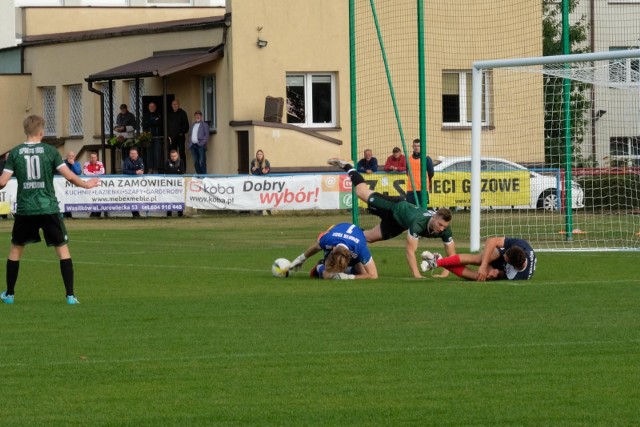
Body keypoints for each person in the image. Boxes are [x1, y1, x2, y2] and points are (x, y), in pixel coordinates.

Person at [0, 115, 101, 305]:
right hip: (48, 207)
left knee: (15, 250)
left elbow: (3, 182)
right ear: (42, 132)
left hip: (26, 209)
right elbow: (70, 176)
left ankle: (10, 294)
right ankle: (70, 296)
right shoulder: (50, 151)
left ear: (25, 131)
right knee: (62, 250)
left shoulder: (15, 153)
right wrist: (87, 185)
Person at [327, 158, 456, 279]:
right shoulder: (418, 223)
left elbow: (452, 256)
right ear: (434, 217)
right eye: (440, 224)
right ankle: (347, 166)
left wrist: (444, 274)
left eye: (444, 226)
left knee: (367, 238)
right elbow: (410, 251)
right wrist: (417, 276)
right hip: (392, 207)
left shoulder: (445, 230)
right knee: (360, 192)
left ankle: (342, 244)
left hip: (399, 224)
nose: (441, 228)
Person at [420, 237, 536, 281]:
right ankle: (436, 263)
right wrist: (484, 265)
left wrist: (496, 273)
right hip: (496, 254)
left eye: (507, 257)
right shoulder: (522, 245)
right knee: (479, 260)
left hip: (503, 267)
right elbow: (492, 241)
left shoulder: (518, 276)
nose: (505, 255)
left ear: (512, 264)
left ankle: (438, 260)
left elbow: (503, 275)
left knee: (479, 277)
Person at [288, 223, 378, 280]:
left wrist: (348, 277)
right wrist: (300, 259)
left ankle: (343, 271)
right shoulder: (328, 240)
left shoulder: (360, 248)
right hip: (334, 234)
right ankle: (319, 267)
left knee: (362, 273)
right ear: (333, 249)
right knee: (327, 275)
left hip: (353, 243)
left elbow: (374, 275)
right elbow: (315, 247)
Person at [406, 138, 434, 207]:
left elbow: (431, 173)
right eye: (415, 146)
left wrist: (426, 181)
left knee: (422, 208)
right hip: (411, 188)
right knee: (411, 208)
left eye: (418, 146)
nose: (416, 148)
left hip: (422, 188)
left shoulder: (426, 158)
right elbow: (407, 172)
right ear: (412, 147)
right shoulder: (408, 159)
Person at [122, 147, 144, 218]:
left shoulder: (140, 160)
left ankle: (136, 213)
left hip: (138, 183)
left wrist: (133, 172)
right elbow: (124, 171)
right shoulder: (126, 160)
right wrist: (135, 172)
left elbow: (142, 170)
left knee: (138, 197)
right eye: (132, 153)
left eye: (134, 153)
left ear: (137, 154)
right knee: (131, 197)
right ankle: (135, 213)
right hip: (128, 184)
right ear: (129, 154)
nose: (133, 155)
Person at [83, 151, 106, 218]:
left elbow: (102, 171)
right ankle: (92, 213)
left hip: (98, 184)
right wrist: (95, 174)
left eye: (94, 157)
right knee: (91, 198)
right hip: (89, 184)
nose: (93, 159)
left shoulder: (100, 163)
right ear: (90, 158)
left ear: (97, 158)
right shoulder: (86, 163)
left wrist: (92, 173)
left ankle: (97, 214)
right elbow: (85, 172)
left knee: (98, 198)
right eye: (92, 157)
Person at [167, 99, 189, 167]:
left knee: (182, 153)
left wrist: (181, 133)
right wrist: (168, 135)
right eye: (173, 104)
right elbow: (167, 125)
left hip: (180, 137)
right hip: (172, 138)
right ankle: (173, 169)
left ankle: (183, 169)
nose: (175, 105)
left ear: (178, 105)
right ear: (171, 105)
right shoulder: (169, 114)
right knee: (173, 154)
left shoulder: (183, 113)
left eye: (176, 104)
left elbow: (186, 126)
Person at [142, 102, 163, 173]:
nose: (152, 107)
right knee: (149, 154)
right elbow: (144, 124)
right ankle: (150, 168)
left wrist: (150, 122)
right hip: (148, 137)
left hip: (157, 137)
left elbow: (159, 123)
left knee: (157, 153)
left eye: (153, 106)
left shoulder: (158, 115)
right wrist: (154, 121)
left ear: (155, 107)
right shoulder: (145, 115)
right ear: (148, 107)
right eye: (150, 106)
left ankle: (156, 169)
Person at [188, 110, 210, 175]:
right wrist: (190, 143)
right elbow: (190, 134)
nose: (197, 116)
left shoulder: (204, 124)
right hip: (193, 145)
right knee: (195, 162)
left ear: (201, 116)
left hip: (200, 145)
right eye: (196, 115)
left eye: (199, 115)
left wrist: (201, 143)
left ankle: (203, 175)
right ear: (195, 116)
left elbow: (206, 135)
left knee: (202, 161)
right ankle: (199, 175)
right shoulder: (192, 125)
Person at [165, 149, 185, 217]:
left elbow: (182, 171)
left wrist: (172, 170)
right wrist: (177, 170)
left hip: (178, 184)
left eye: (175, 156)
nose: (173, 157)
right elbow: (167, 172)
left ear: (177, 156)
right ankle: (169, 215)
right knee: (169, 199)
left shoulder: (181, 161)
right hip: (169, 184)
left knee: (179, 198)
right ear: (170, 156)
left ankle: (180, 214)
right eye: (172, 156)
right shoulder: (167, 162)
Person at [62, 151, 81, 218]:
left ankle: (69, 215)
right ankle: (65, 215)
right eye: (70, 156)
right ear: (67, 157)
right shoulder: (63, 163)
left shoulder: (77, 163)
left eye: (72, 156)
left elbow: (78, 172)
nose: (71, 157)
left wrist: (73, 164)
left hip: (73, 186)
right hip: (63, 185)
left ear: (75, 157)